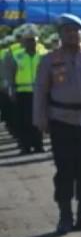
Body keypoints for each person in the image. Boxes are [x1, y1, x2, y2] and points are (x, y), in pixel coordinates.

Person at [33, 13, 81, 233]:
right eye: (67, 31)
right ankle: (65, 216)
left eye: (75, 31)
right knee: (65, 169)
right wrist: (40, 119)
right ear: (60, 35)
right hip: (61, 121)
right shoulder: (50, 59)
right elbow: (40, 90)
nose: (72, 35)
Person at [6, 24, 47, 153]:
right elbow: (10, 75)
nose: (31, 43)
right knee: (23, 121)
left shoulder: (43, 55)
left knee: (38, 120)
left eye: (33, 40)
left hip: (39, 93)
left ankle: (38, 145)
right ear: (23, 42)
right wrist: (10, 91)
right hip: (22, 93)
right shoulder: (16, 55)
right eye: (28, 40)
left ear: (37, 41)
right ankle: (25, 146)